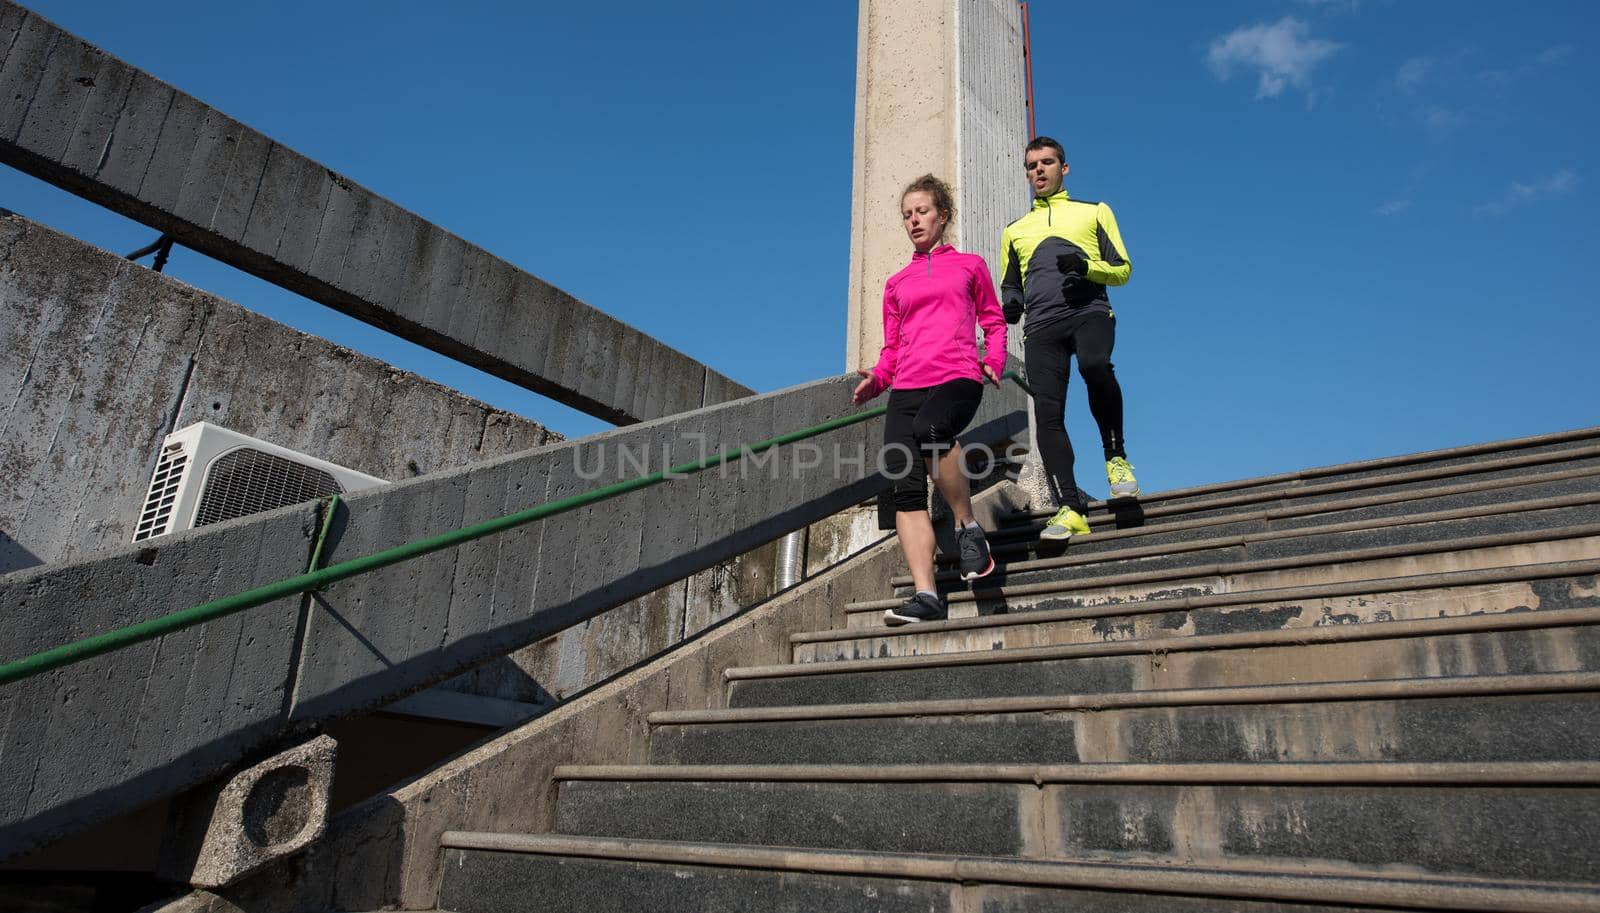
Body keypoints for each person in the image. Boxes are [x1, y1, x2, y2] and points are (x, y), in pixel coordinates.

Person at [853, 174, 1008, 625]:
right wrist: (878, 379)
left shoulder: (969, 265)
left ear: (942, 215)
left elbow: (993, 322)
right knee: (902, 485)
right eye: (906, 215)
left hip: (957, 375)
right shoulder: (896, 283)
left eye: (921, 211)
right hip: (907, 386)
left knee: (932, 430)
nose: (913, 220)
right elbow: (893, 348)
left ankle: (967, 527)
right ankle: (927, 596)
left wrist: (993, 358)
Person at [999, 135, 1137, 542]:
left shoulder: (1094, 212)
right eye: (1030, 166)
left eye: (1046, 162)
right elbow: (1011, 283)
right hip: (1041, 327)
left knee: (1096, 366)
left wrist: (1087, 267)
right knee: (1047, 413)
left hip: (1088, 312)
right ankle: (1069, 508)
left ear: (1064, 168)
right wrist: (1011, 303)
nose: (1037, 171)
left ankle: (1116, 460)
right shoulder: (1015, 230)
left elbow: (1123, 269)